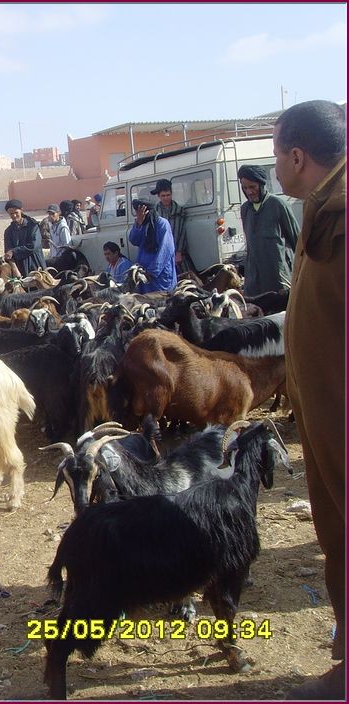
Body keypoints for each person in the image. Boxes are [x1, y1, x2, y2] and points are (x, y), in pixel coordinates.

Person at [274, 100, 346, 701]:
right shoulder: (319, 210)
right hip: (325, 417)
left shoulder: (344, 217)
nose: (274, 166)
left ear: (298, 156)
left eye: (276, 153)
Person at [236, 164, 299, 297]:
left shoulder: (278, 205)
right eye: (245, 188)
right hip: (254, 280)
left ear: (261, 185)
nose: (249, 192)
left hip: (278, 278)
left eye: (252, 187)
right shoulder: (245, 209)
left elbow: (298, 242)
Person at [128, 198, 177, 293]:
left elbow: (165, 251)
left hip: (159, 276)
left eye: (140, 212)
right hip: (144, 275)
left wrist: (152, 271)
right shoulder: (142, 224)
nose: (139, 215)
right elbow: (134, 240)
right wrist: (138, 224)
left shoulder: (162, 224)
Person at [151, 179, 193, 274]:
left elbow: (182, 233)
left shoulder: (179, 211)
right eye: (163, 196)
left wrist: (179, 252)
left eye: (168, 195)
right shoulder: (154, 213)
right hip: (161, 253)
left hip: (177, 252)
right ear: (158, 196)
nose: (166, 198)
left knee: (186, 279)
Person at [3, 199, 45, 273]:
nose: (14, 215)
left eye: (16, 212)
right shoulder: (8, 231)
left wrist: (14, 251)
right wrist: (15, 269)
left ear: (21, 210)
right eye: (11, 213)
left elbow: (34, 246)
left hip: (35, 265)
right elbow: (8, 252)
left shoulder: (33, 226)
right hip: (19, 269)